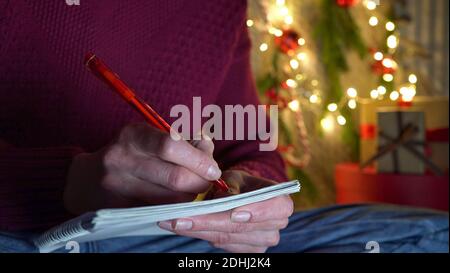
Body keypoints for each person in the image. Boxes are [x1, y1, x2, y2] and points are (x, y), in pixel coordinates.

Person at [0, 0, 447, 253]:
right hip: (25, 235)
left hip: (178, 243)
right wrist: (66, 181)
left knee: (435, 237)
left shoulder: (219, 8)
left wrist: (254, 195)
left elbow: (252, 150)